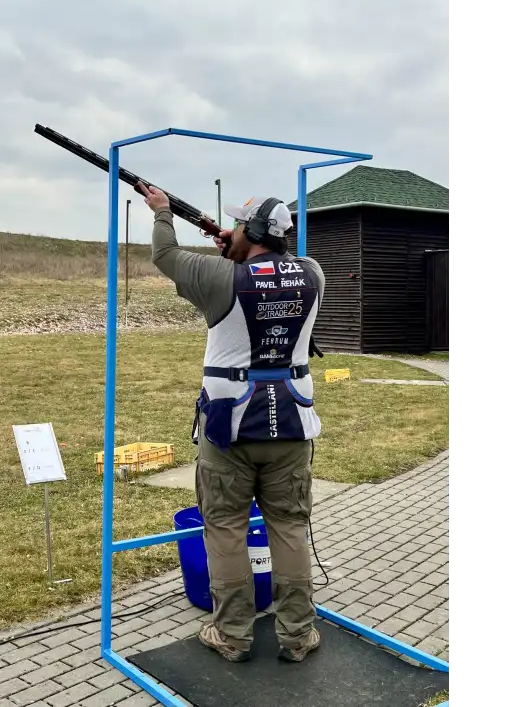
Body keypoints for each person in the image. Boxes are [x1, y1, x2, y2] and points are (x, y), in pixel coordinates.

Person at [139, 181, 326, 664]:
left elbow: (165, 255)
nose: (233, 230)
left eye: (240, 225)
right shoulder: (313, 273)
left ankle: (233, 634)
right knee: (290, 527)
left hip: (229, 427)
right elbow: (274, 274)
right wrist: (239, 247)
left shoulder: (221, 276)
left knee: (224, 528)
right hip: (292, 423)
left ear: (253, 231)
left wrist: (162, 211)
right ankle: (298, 633)